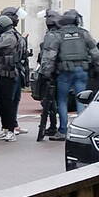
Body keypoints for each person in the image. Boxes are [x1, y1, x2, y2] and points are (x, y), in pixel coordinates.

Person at [40, 11, 99, 141]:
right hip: (82, 71)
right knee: (81, 99)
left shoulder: (58, 35)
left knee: (62, 101)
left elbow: (51, 56)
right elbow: (95, 53)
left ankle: (62, 130)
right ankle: (81, 129)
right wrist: (96, 68)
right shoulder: (84, 33)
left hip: (64, 72)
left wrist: (47, 72)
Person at [0, 6, 31, 135]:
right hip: (9, 70)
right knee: (9, 100)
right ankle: (8, 127)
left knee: (16, 98)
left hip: (17, 69)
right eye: (16, 17)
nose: (18, 19)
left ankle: (13, 125)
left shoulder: (13, 32)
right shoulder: (5, 34)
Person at [35, 9, 62, 138]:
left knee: (50, 101)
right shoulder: (62, 33)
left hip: (51, 72)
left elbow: (48, 56)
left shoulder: (51, 35)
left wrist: (45, 72)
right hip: (61, 71)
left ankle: (52, 127)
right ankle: (56, 127)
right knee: (56, 101)